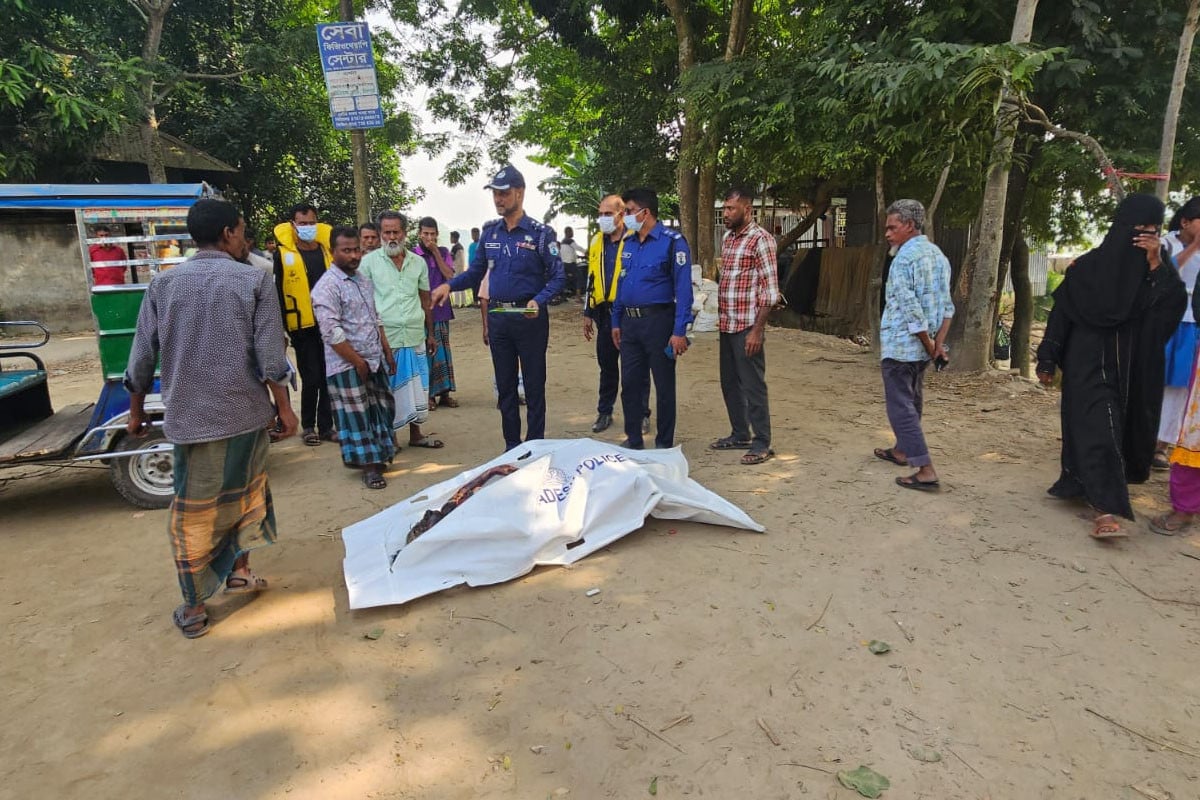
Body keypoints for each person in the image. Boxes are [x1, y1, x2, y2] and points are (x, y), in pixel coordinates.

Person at [123, 198, 297, 639]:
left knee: (195, 509)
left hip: (190, 419)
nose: (243, 237)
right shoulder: (255, 280)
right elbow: (270, 356)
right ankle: (233, 574)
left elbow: (142, 355)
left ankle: (196, 605)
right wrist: (285, 408)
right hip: (244, 414)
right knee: (244, 496)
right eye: (240, 229)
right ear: (227, 233)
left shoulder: (163, 286)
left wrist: (136, 413)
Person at [1037, 193, 1186, 538]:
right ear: (1122, 227)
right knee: (1099, 430)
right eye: (1139, 230)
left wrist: (1154, 265)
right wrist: (1048, 356)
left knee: (1114, 431)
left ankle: (1080, 483)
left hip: (1132, 365)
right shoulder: (1087, 267)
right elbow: (1062, 314)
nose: (1146, 237)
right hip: (1086, 363)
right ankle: (1105, 511)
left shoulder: (1158, 268)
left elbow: (1169, 309)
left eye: (1153, 230)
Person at [432, 165, 565, 450]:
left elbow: (558, 277)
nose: (498, 199)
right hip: (499, 318)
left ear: (520, 193)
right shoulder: (490, 234)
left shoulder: (541, 234)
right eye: (495, 194)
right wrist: (449, 285)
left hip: (529, 318)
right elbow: (475, 273)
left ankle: (535, 445)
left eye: (504, 193)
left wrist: (538, 301)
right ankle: (512, 446)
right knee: (505, 387)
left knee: (533, 384)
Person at [873, 199, 954, 492]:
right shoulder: (938, 256)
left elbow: (911, 311)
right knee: (913, 398)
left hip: (901, 345)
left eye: (892, 228)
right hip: (923, 349)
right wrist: (937, 345)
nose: (888, 234)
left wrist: (928, 341)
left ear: (909, 225)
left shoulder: (903, 260)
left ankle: (925, 468)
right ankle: (902, 450)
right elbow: (947, 307)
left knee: (900, 406)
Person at [310, 226, 397, 489]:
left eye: (356, 249)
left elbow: (375, 317)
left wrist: (386, 349)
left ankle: (380, 455)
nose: (354, 255)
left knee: (381, 409)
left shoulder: (362, 279)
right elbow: (331, 332)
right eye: (346, 251)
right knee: (357, 416)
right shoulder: (326, 287)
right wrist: (357, 361)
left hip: (373, 357)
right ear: (332, 251)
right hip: (346, 363)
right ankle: (369, 468)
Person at [611, 187, 693, 450]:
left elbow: (683, 289)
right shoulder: (629, 243)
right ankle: (633, 439)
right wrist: (615, 320)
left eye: (630, 211)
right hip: (630, 325)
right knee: (631, 384)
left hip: (659, 322)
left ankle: (664, 445)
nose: (625, 217)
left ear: (646, 213)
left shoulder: (672, 242)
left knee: (664, 386)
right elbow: (621, 285)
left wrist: (679, 330)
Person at [358, 211, 443, 450]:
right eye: (387, 232)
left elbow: (425, 299)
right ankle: (392, 438)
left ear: (405, 233)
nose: (392, 237)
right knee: (391, 389)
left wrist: (431, 333)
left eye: (396, 232)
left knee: (418, 386)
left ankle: (416, 434)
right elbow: (363, 303)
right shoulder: (369, 263)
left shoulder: (418, 263)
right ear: (380, 234)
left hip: (415, 334)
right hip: (386, 338)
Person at [710, 186, 780, 465]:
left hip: (747, 327)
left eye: (731, 209)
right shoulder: (728, 238)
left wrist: (757, 331)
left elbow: (770, 291)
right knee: (729, 383)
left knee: (753, 386)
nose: (726, 213)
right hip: (727, 324)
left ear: (747, 210)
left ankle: (761, 442)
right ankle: (740, 433)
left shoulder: (761, 240)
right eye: (724, 208)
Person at [584, 194, 650, 435]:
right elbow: (591, 279)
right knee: (607, 365)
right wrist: (587, 312)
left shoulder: (636, 239)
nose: (603, 219)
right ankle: (605, 411)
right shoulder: (596, 242)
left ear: (622, 215)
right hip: (604, 312)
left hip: (631, 314)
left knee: (636, 367)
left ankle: (641, 413)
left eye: (608, 214)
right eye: (600, 214)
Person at [274, 203, 336, 447]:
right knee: (311, 377)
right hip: (302, 326)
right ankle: (309, 427)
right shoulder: (283, 254)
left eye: (312, 223)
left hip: (329, 323)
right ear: (293, 225)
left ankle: (327, 426)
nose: (308, 228)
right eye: (302, 224)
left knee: (329, 375)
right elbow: (278, 292)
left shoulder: (326, 250)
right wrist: (281, 328)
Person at [1154, 196, 1200, 467]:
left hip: (1192, 323)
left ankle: (1162, 444)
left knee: (1180, 387)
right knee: (1154, 379)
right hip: (1165, 320)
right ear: (1185, 222)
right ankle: (1142, 438)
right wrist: (1194, 247)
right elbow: (1165, 273)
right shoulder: (1165, 243)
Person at [415, 217, 459, 408]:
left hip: (441, 309)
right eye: (425, 233)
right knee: (426, 353)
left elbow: (449, 275)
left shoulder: (443, 252)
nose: (429, 237)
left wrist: (436, 254)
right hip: (420, 311)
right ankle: (428, 395)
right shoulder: (413, 255)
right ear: (419, 234)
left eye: (432, 234)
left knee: (443, 352)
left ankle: (445, 394)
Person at [450, 230, 473, 307]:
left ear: (454, 238)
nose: (450, 239)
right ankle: (463, 302)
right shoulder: (461, 247)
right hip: (462, 268)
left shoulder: (455, 248)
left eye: (451, 237)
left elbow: (451, 258)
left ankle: (456, 303)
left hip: (456, 268)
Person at [560, 225, 583, 301]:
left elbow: (569, 252)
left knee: (567, 279)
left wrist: (578, 256)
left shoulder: (562, 242)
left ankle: (563, 296)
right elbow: (578, 248)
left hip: (564, 264)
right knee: (579, 277)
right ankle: (578, 297)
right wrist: (587, 252)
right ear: (568, 232)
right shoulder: (569, 240)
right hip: (570, 264)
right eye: (571, 231)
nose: (573, 233)